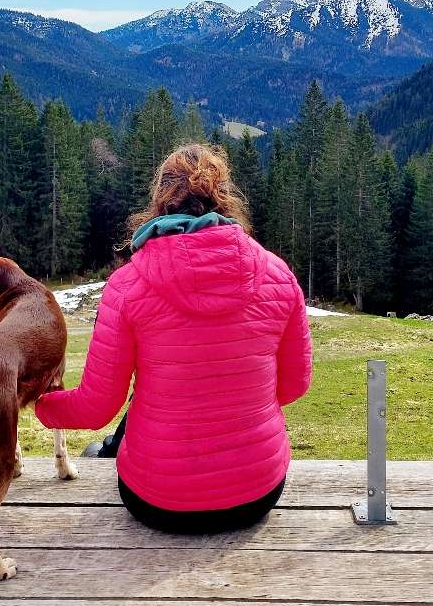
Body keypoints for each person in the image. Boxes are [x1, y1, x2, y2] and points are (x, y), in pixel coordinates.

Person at [35, 142, 312, 534]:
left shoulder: (127, 285)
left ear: (160, 204)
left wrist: (39, 404)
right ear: (224, 199)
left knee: (102, 450)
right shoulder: (279, 275)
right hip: (258, 493)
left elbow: (97, 408)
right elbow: (294, 385)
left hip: (157, 500)